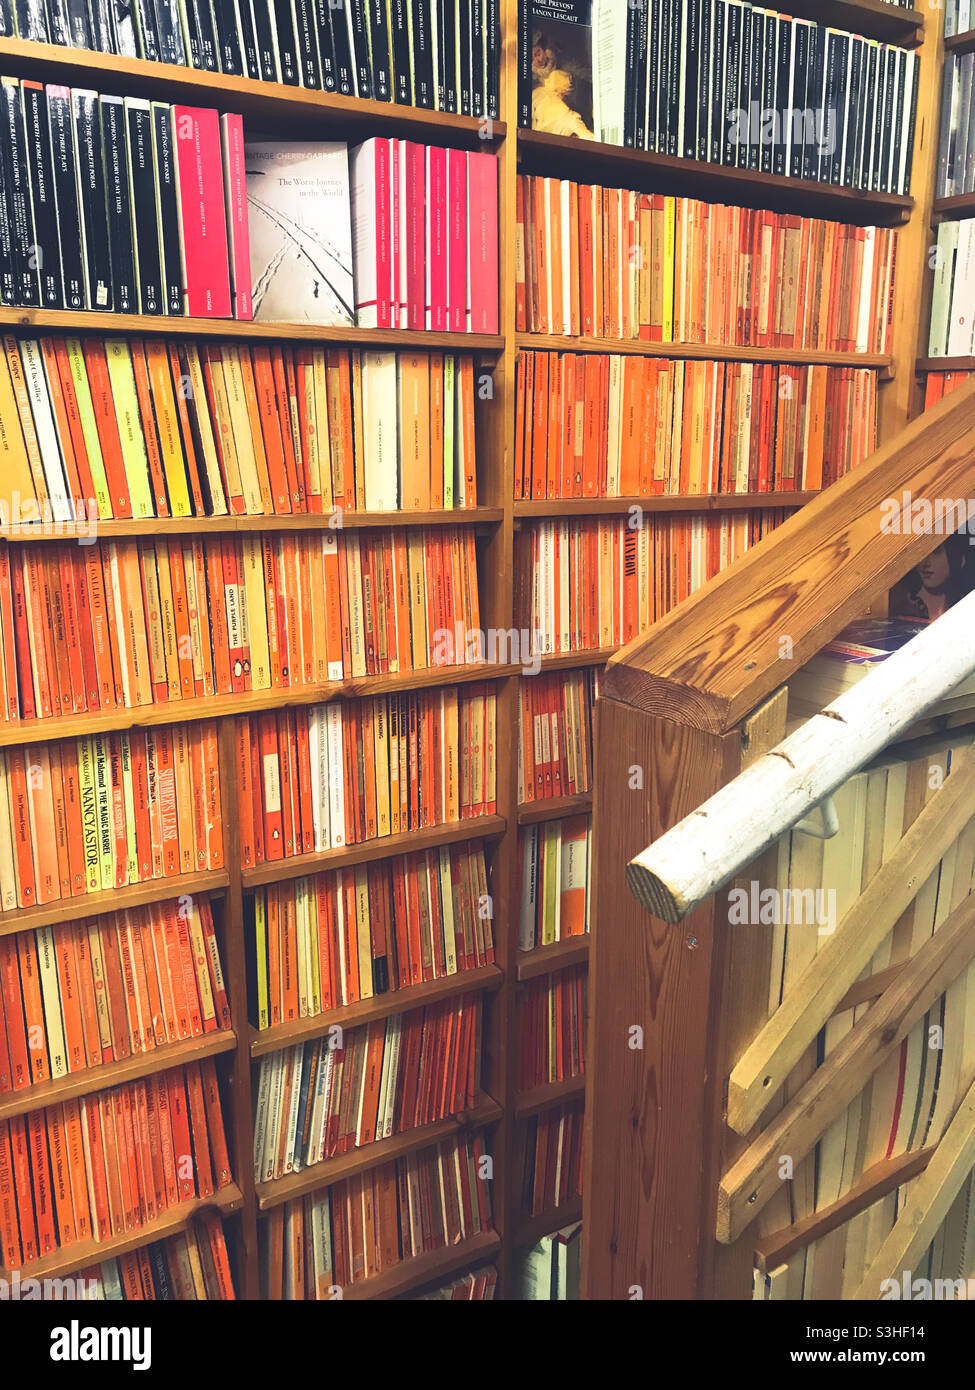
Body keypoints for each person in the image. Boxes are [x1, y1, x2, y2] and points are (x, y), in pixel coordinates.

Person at [532, 68, 595, 139]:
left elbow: (589, 137)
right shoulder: (539, 94)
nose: (545, 81)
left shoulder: (571, 119)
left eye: (549, 80)